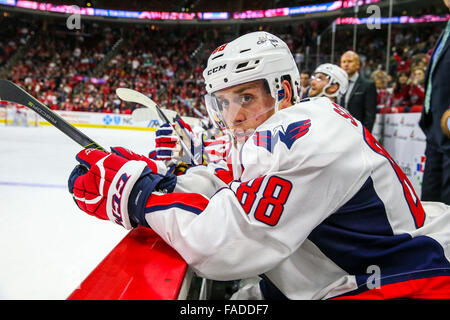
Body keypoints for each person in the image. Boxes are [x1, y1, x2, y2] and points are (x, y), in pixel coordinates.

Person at [68, 31, 450, 300]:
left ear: (282, 91)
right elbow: (227, 187)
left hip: (402, 284)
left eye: (246, 97)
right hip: (360, 277)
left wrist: (135, 193)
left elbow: (225, 246)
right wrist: (163, 183)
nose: (233, 117)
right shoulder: (283, 129)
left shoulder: (304, 135)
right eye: (223, 103)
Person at [419, 0, 450, 205]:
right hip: (434, 120)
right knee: (431, 187)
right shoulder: (446, 28)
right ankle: (430, 233)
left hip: (447, 122)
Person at [339, 50, 378, 132]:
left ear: (357, 65)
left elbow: (370, 115)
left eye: (350, 61)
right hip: (339, 132)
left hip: (358, 133)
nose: (346, 64)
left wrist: (365, 136)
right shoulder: (337, 85)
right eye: (343, 62)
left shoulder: (368, 85)